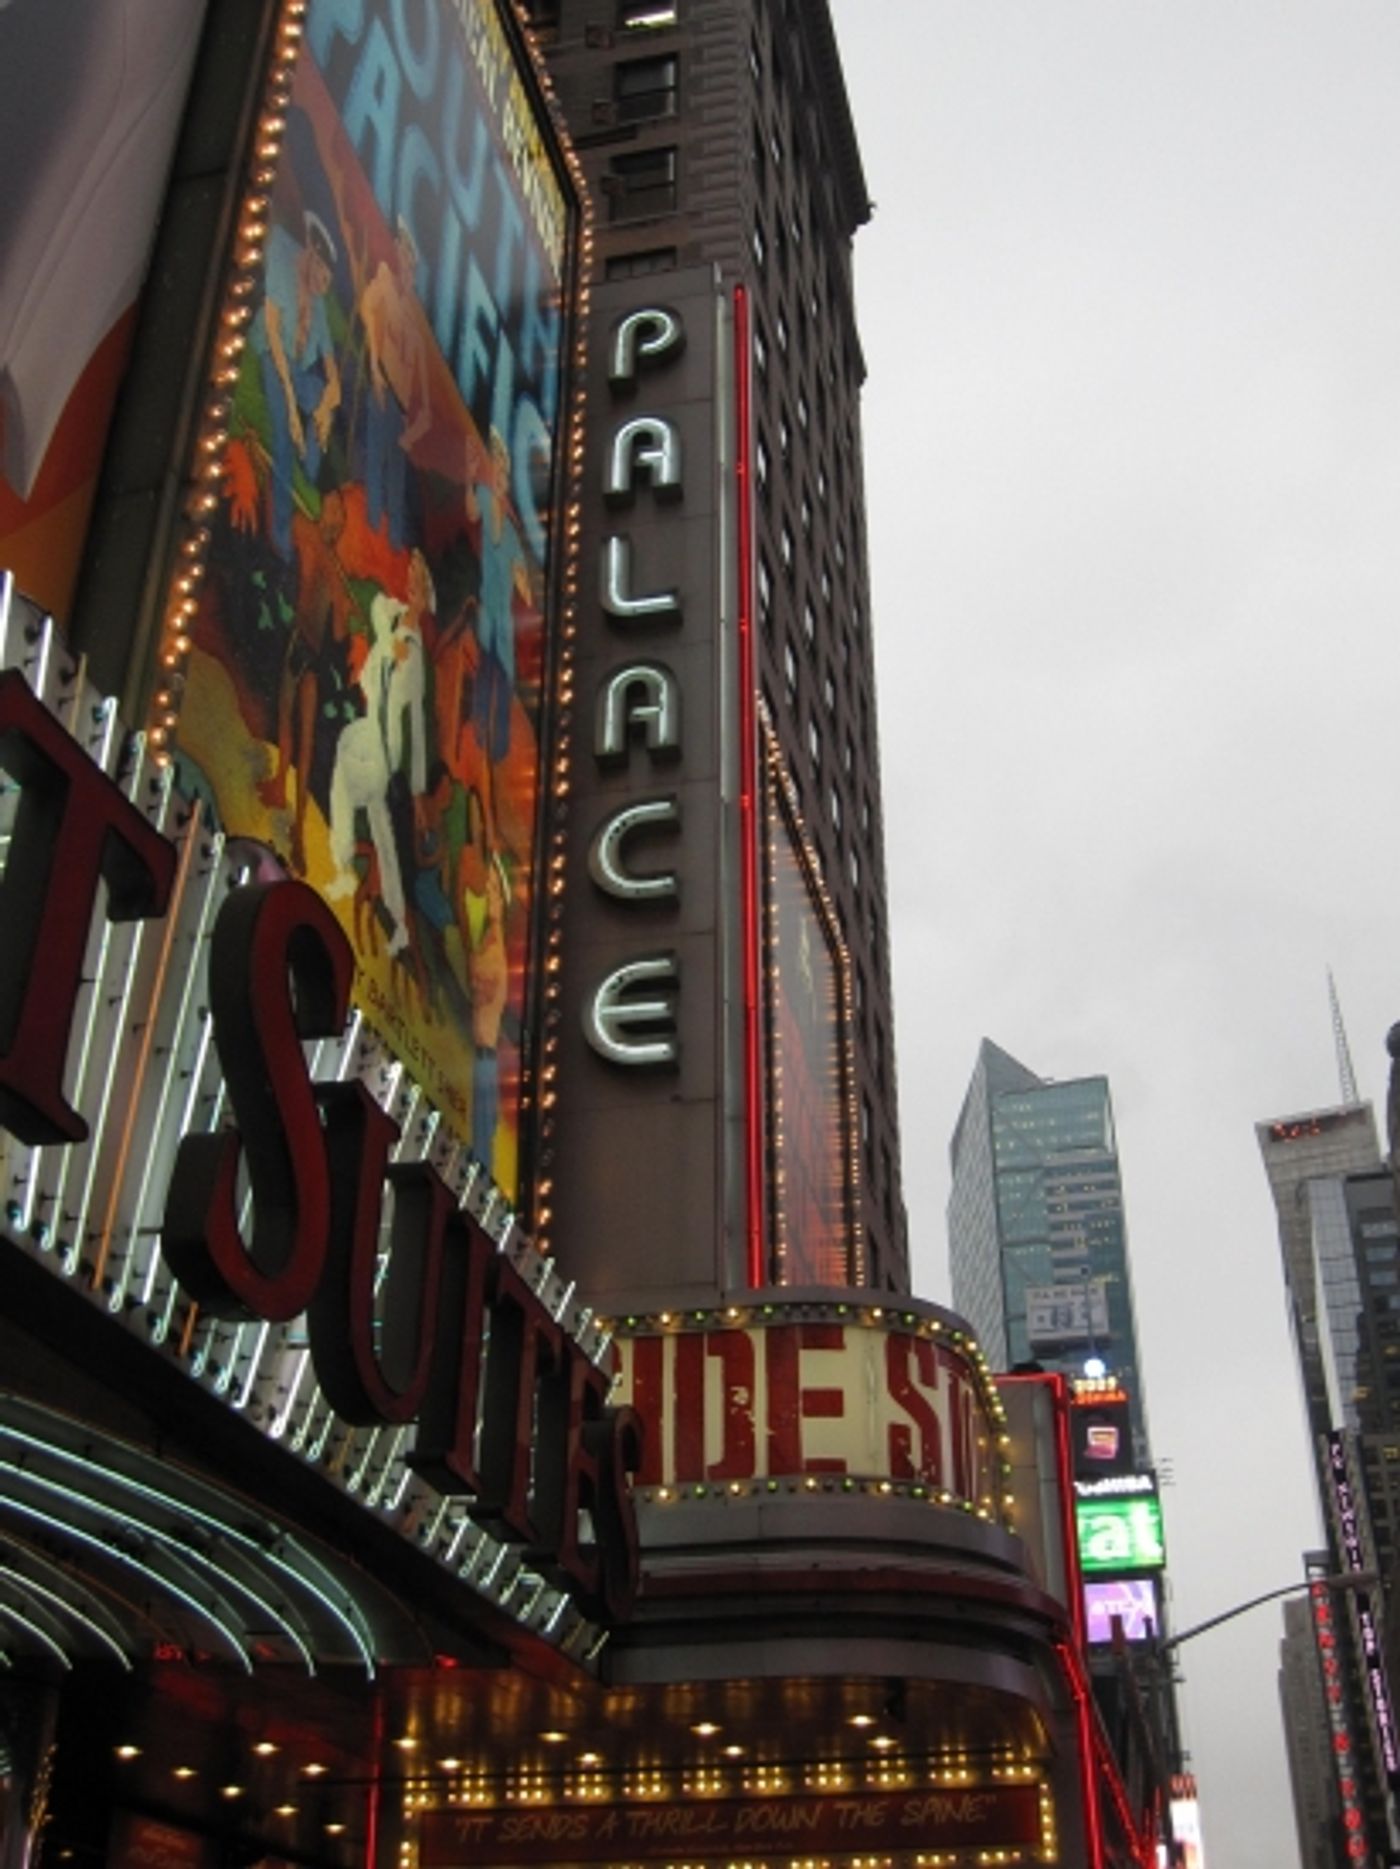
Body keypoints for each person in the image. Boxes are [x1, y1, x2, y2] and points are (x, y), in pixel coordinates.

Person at [257, 488, 355, 871]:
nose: (336, 520)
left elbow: (340, 635)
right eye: (333, 511)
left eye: (340, 518)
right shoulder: (306, 530)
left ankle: (298, 830)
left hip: (312, 654)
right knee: (285, 717)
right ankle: (280, 783)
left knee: (307, 739)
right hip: (297, 640)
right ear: (324, 511)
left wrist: (344, 608)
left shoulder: (334, 571)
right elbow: (280, 526)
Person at [252, 209, 341, 559]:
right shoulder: (282, 256)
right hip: (272, 358)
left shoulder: (318, 307)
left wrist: (325, 408)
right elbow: (273, 334)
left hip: (300, 371)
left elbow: (332, 375)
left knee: (319, 396)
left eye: (328, 281)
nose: (323, 286)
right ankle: (280, 535)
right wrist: (292, 410)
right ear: (312, 256)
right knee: (285, 437)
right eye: (322, 275)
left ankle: (309, 470)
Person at [358, 217, 431, 551]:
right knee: (373, 469)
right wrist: (374, 367)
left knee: (394, 485)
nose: (406, 264)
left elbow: (426, 410)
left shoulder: (416, 334)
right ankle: (370, 539)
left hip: (400, 412)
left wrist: (409, 436)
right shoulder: (383, 284)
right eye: (402, 251)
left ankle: (391, 554)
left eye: (411, 259)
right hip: (381, 392)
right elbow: (366, 308)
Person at [469, 857, 510, 1170]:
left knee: (482, 1141)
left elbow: (484, 988)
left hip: (485, 1058)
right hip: (484, 1057)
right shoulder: (489, 940)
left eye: (495, 889)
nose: (489, 892)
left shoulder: (494, 948)